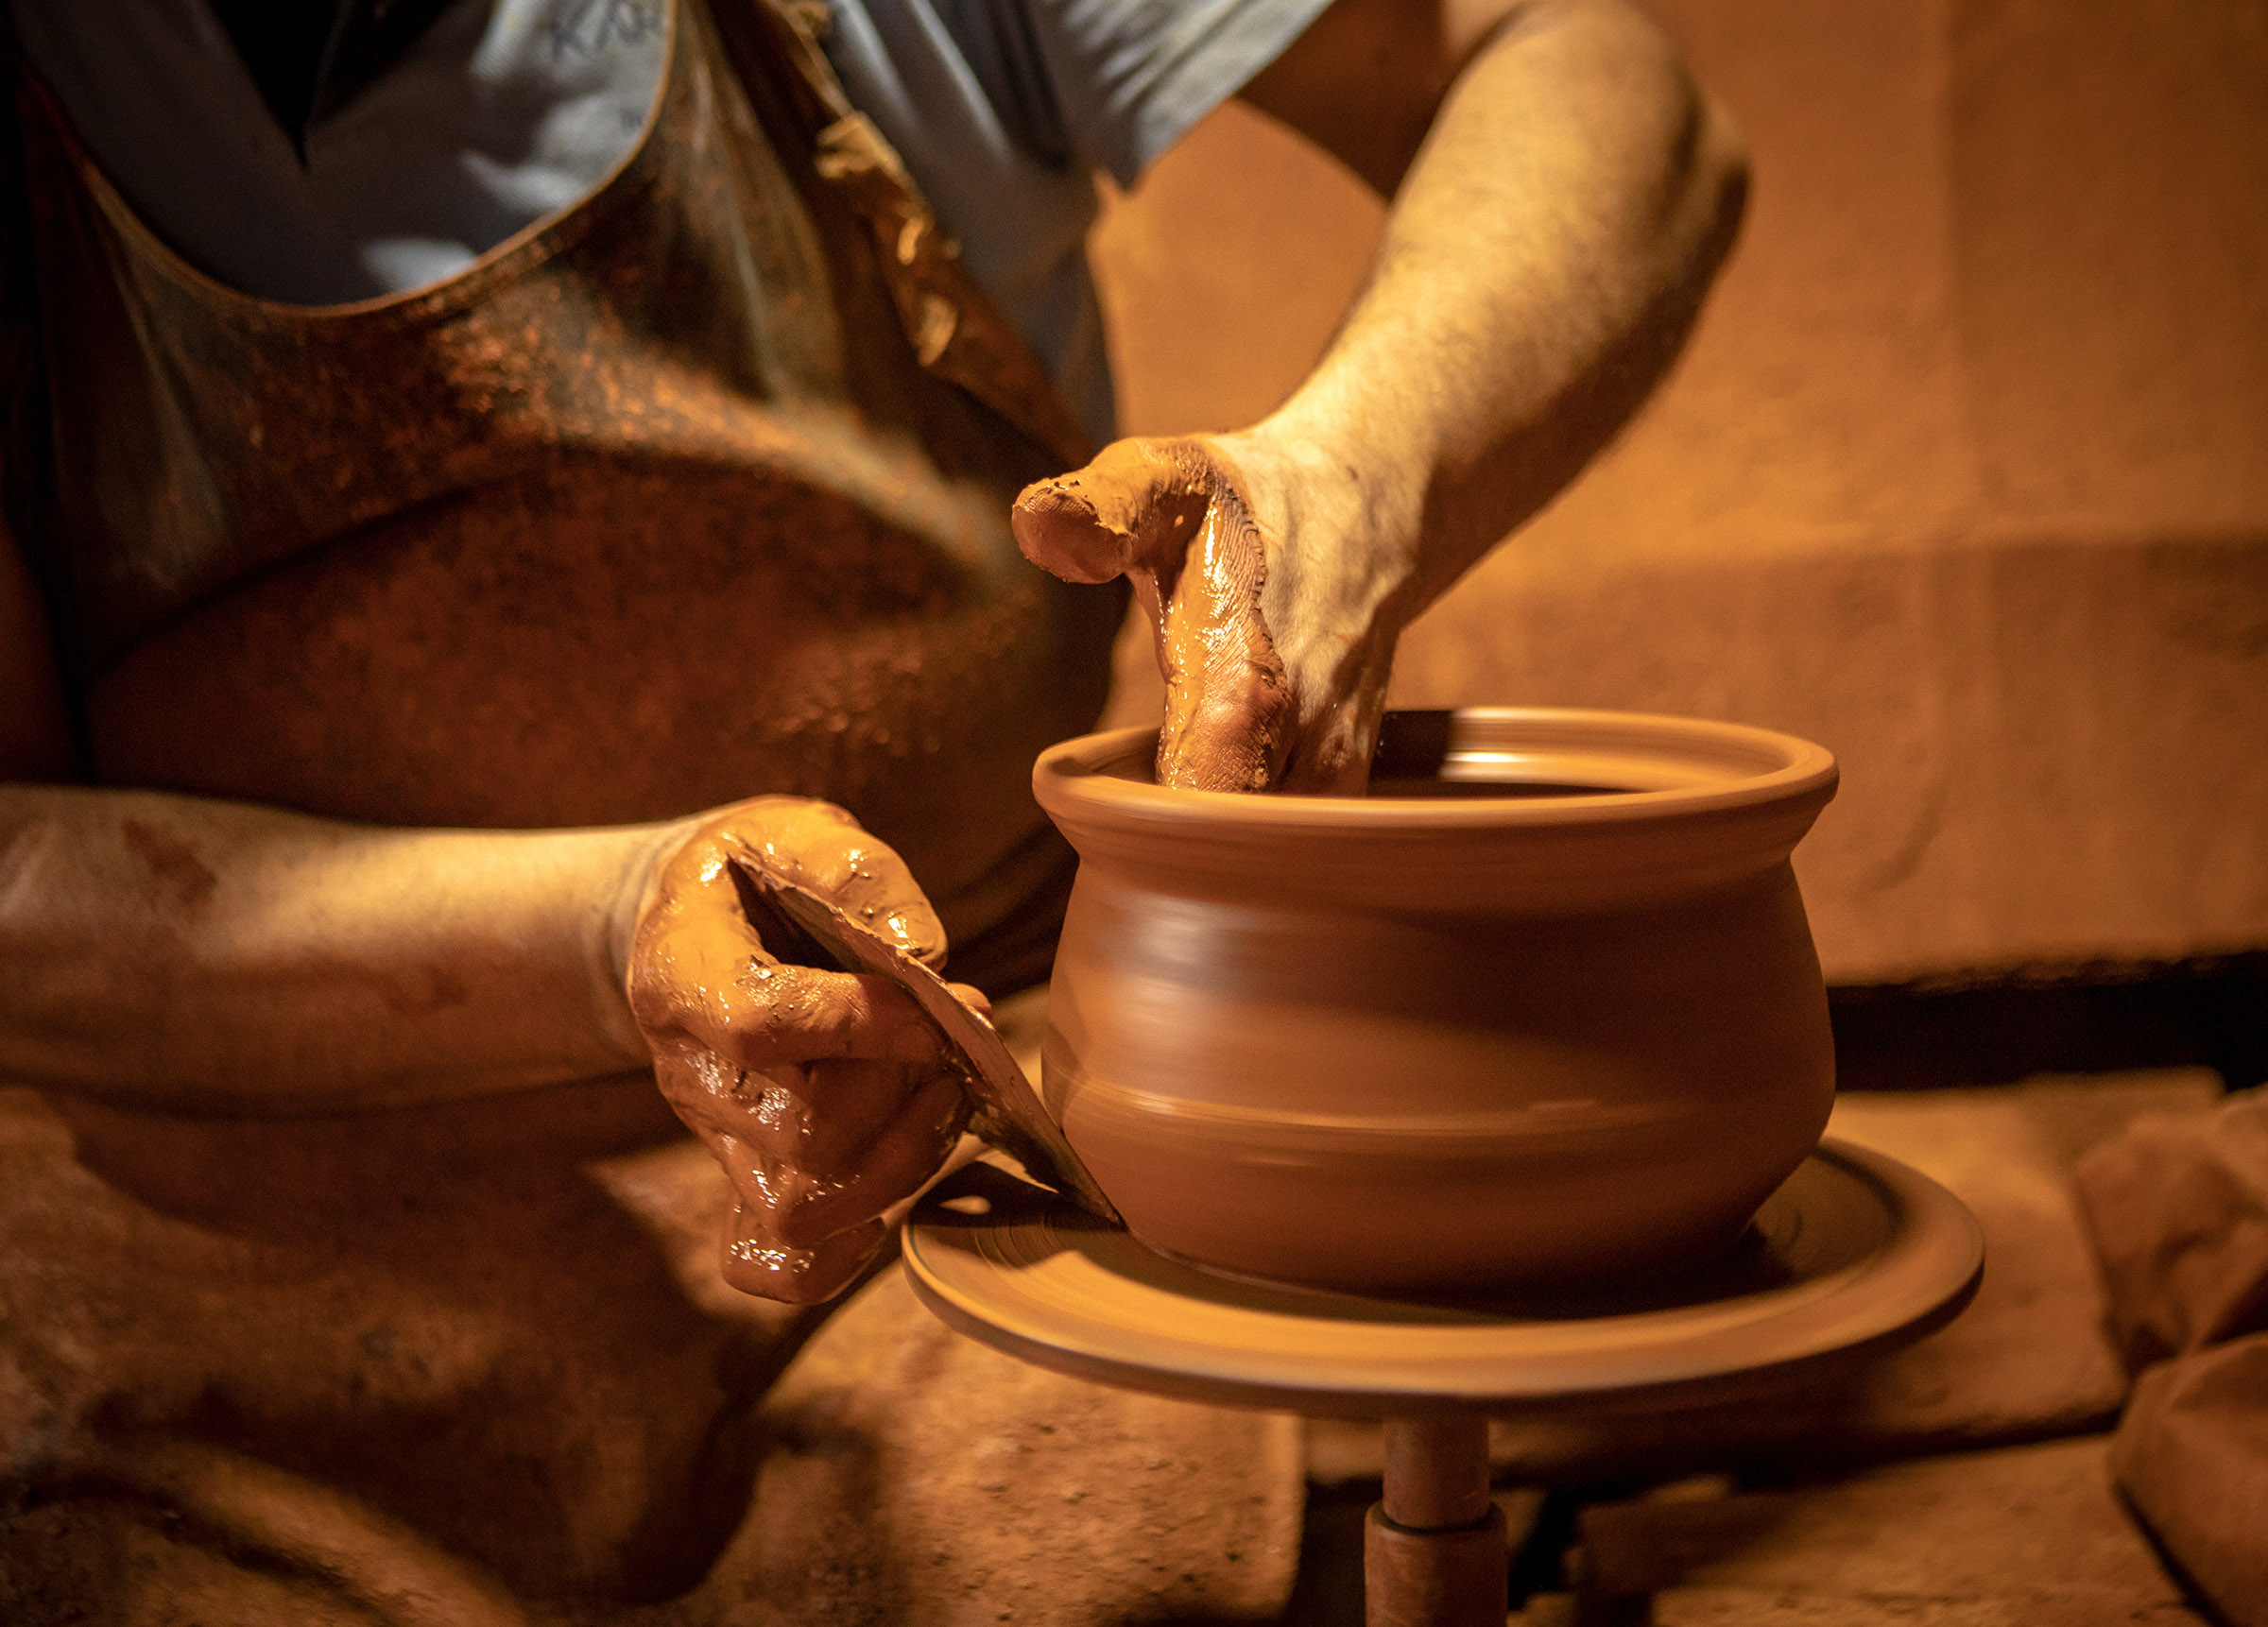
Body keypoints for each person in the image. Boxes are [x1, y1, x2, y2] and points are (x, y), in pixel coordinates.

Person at [0, 0, 1746, 1618]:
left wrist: (1357, 476)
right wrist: (609, 921)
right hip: (219, 1176)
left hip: (952, 1104)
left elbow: (1603, 88)